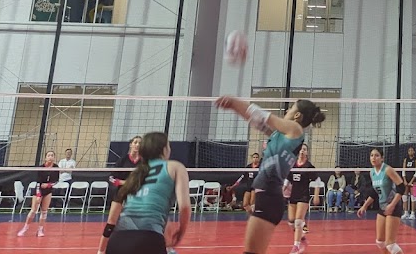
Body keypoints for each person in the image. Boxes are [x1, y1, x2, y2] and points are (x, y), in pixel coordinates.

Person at [215, 96, 325, 254]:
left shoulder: (295, 129)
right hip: (266, 197)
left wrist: (233, 102)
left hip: (269, 197)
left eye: (291, 108)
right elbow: (256, 121)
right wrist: (235, 109)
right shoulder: (279, 134)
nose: (287, 110)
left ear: (297, 115)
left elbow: (262, 115)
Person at [97, 132, 190, 254]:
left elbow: (112, 219)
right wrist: (180, 233)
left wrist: (101, 250)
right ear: (164, 149)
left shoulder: (137, 173)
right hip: (148, 239)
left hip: (117, 240)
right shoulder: (175, 167)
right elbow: (184, 207)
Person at [357, 147, 406, 254]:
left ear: (382, 158)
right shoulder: (372, 172)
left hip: (393, 206)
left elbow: (402, 187)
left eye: (377, 155)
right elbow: (375, 192)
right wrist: (364, 206)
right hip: (382, 206)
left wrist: (392, 205)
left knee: (390, 244)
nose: (373, 158)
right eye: (371, 155)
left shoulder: (387, 170)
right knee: (380, 242)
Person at [18, 150, 60, 237]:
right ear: (45, 158)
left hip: (48, 190)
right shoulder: (41, 168)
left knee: (44, 211)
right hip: (39, 189)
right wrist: (38, 195)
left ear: (54, 158)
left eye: (52, 155)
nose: (50, 157)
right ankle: (25, 228)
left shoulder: (56, 168)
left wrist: (48, 185)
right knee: (33, 210)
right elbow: (38, 183)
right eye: (48, 155)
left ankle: (40, 230)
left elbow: (56, 181)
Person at [286, 143, 317, 254]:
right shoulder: (292, 165)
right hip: (293, 195)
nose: (302, 151)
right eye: (300, 149)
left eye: (304, 149)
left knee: (298, 221)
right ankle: (302, 237)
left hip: (303, 196)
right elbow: (288, 179)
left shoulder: (309, 166)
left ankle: (296, 246)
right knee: (291, 221)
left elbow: (317, 181)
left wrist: (316, 195)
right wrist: (283, 188)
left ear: (307, 152)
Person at [401, 146, 416, 221]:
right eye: (409, 150)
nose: (410, 151)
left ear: (414, 152)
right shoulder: (405, 160)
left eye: (412, 150)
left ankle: (412, 214)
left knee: (413, 196)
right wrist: (404, 180)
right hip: (406, 179)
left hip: (413, 179)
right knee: (404, 196)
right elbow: (403, 170)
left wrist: (411, 181)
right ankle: (406, 212)